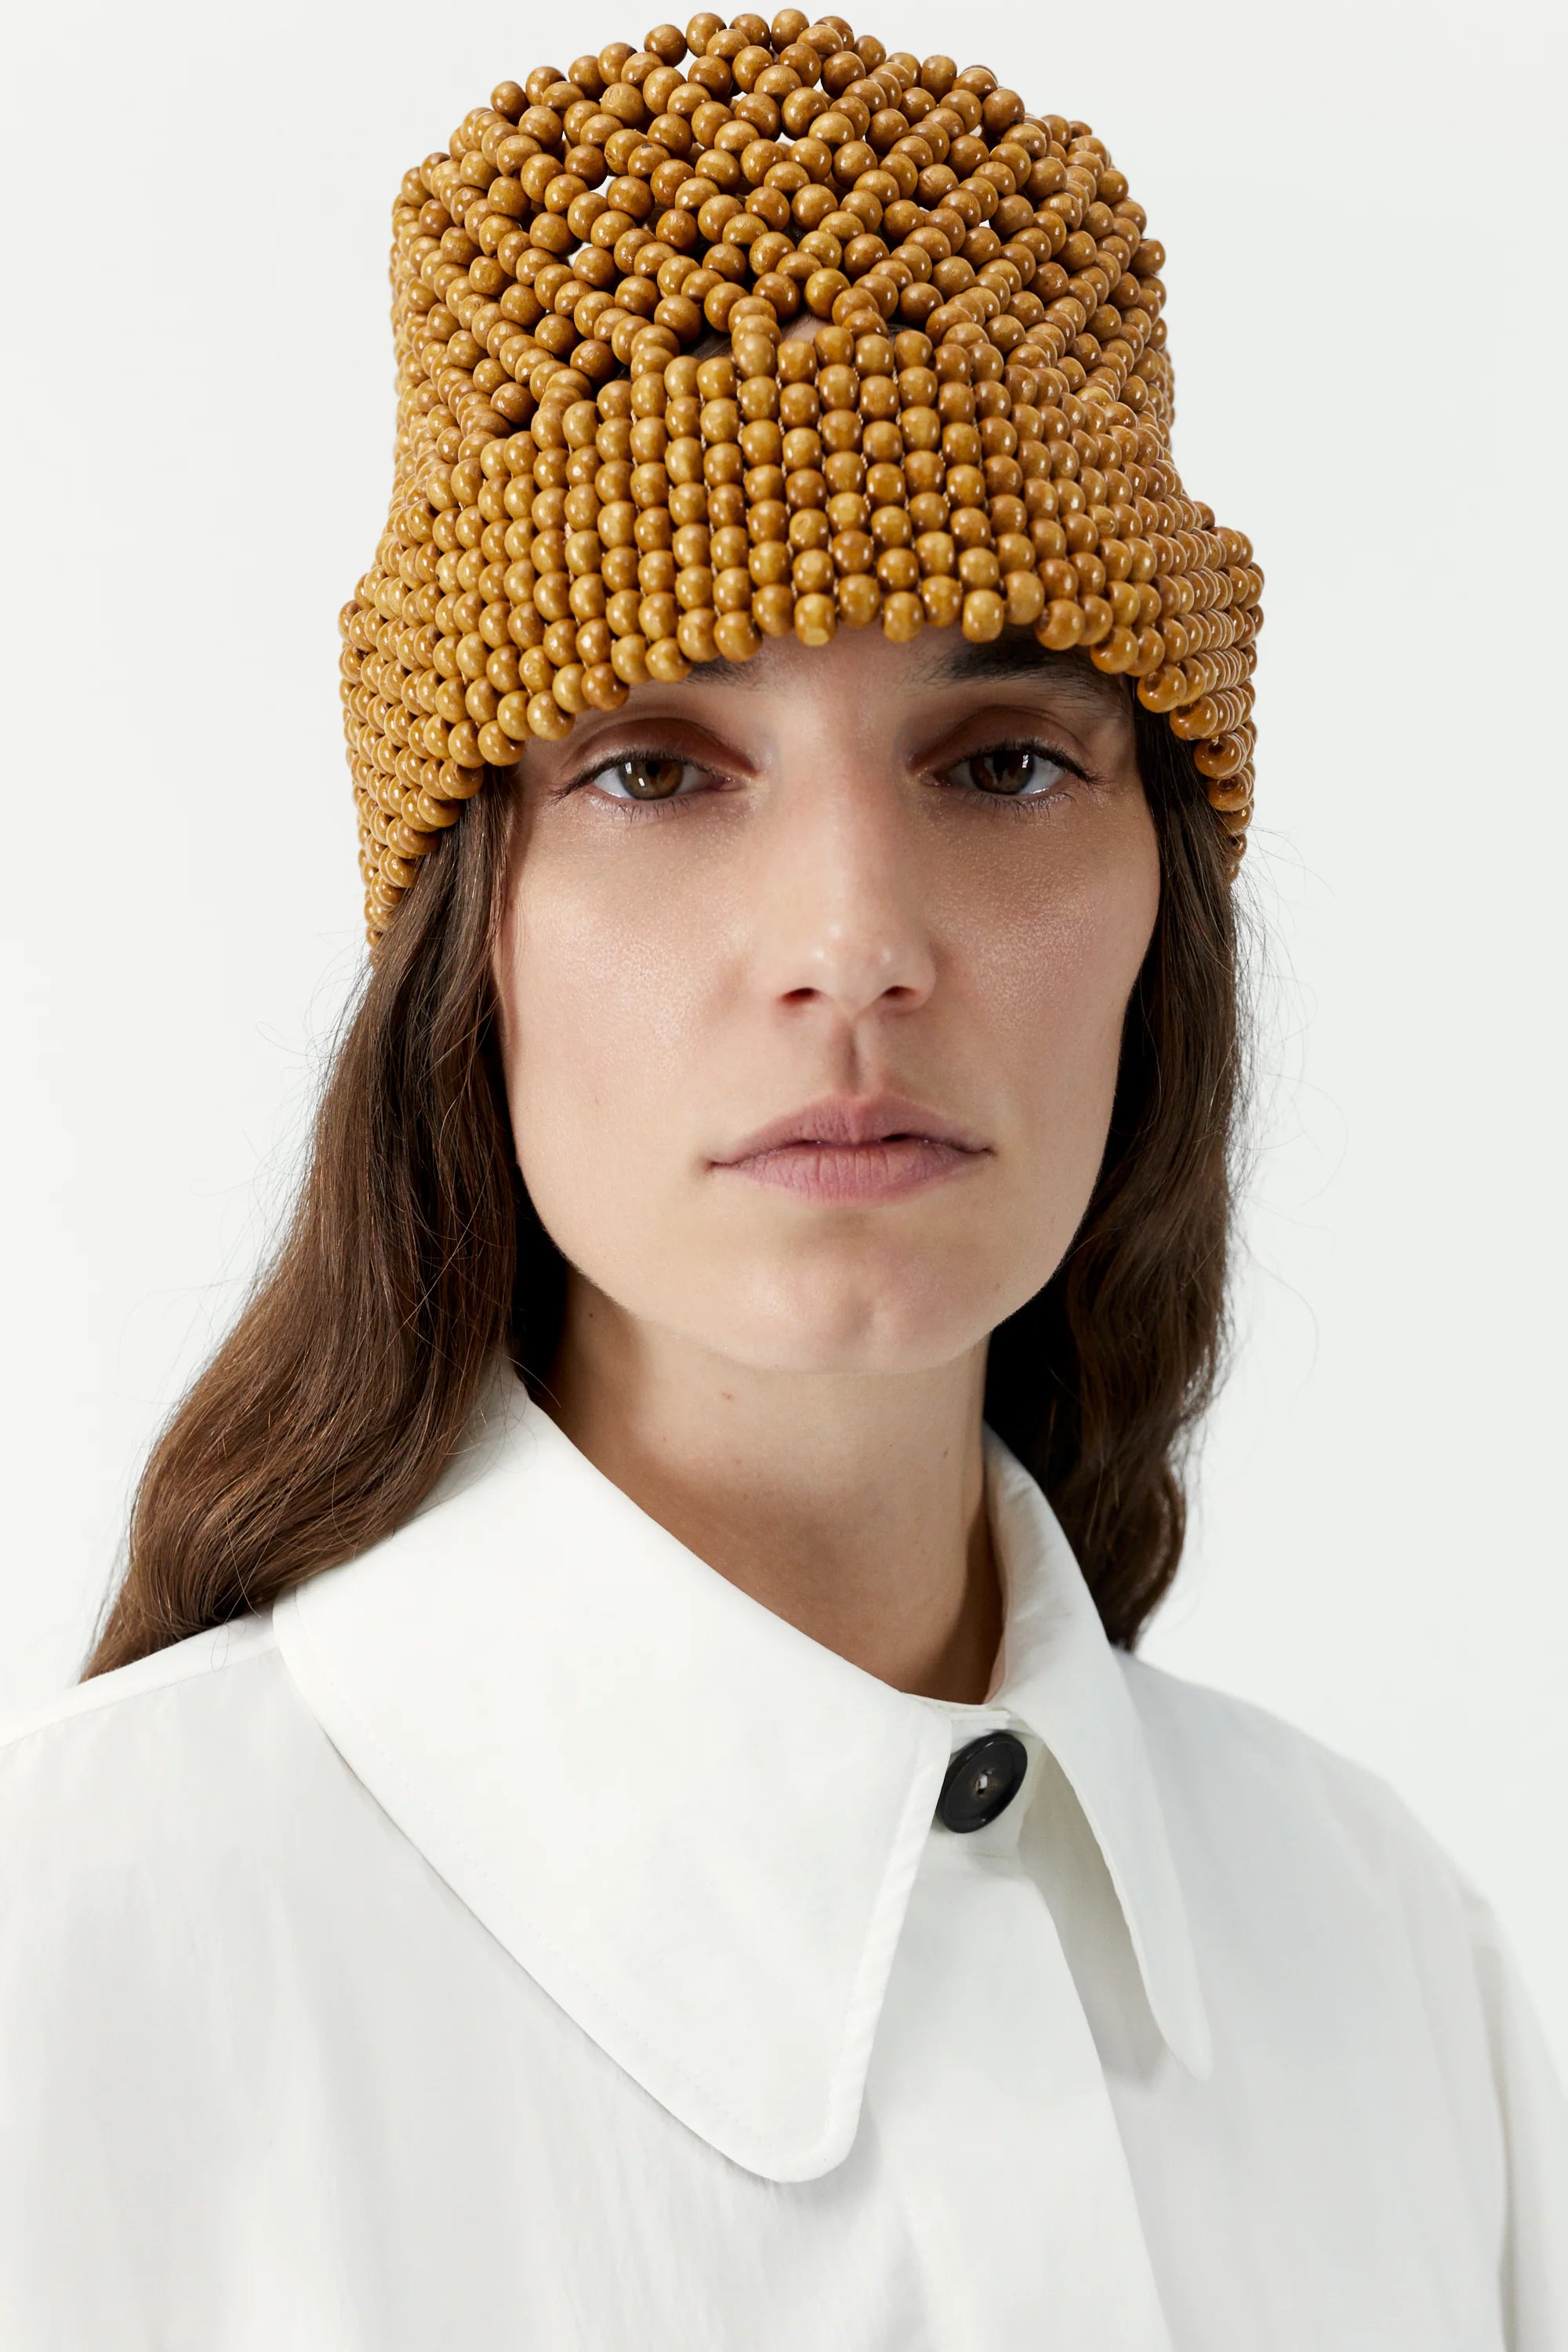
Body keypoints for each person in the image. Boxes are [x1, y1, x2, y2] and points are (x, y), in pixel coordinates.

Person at [2, 16, 1562, 2349]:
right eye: (657, 769)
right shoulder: (83, 1980)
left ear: (1166, 897)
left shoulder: (1384, 1965)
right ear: (472, 924)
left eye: (1007, 760)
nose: (854, 945)